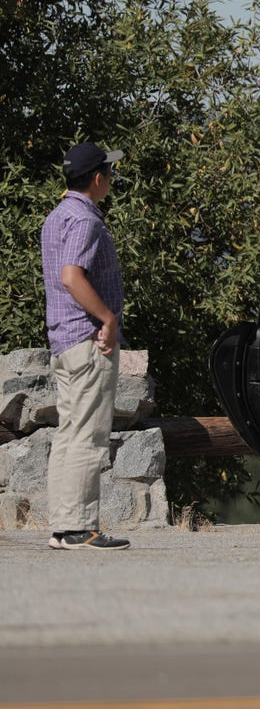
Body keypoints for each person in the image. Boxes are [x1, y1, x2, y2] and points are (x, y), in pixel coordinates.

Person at [41, 142, 130, 551]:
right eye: (108, 173)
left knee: (68, 433)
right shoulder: (85, 220)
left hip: (63, 339)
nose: (111, 179)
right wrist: (108, 320)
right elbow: (72, 276)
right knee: (88, 437)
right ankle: (78, 527)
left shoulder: (57, 216)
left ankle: (63, 527)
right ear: (97, 179)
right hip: (86, 339)